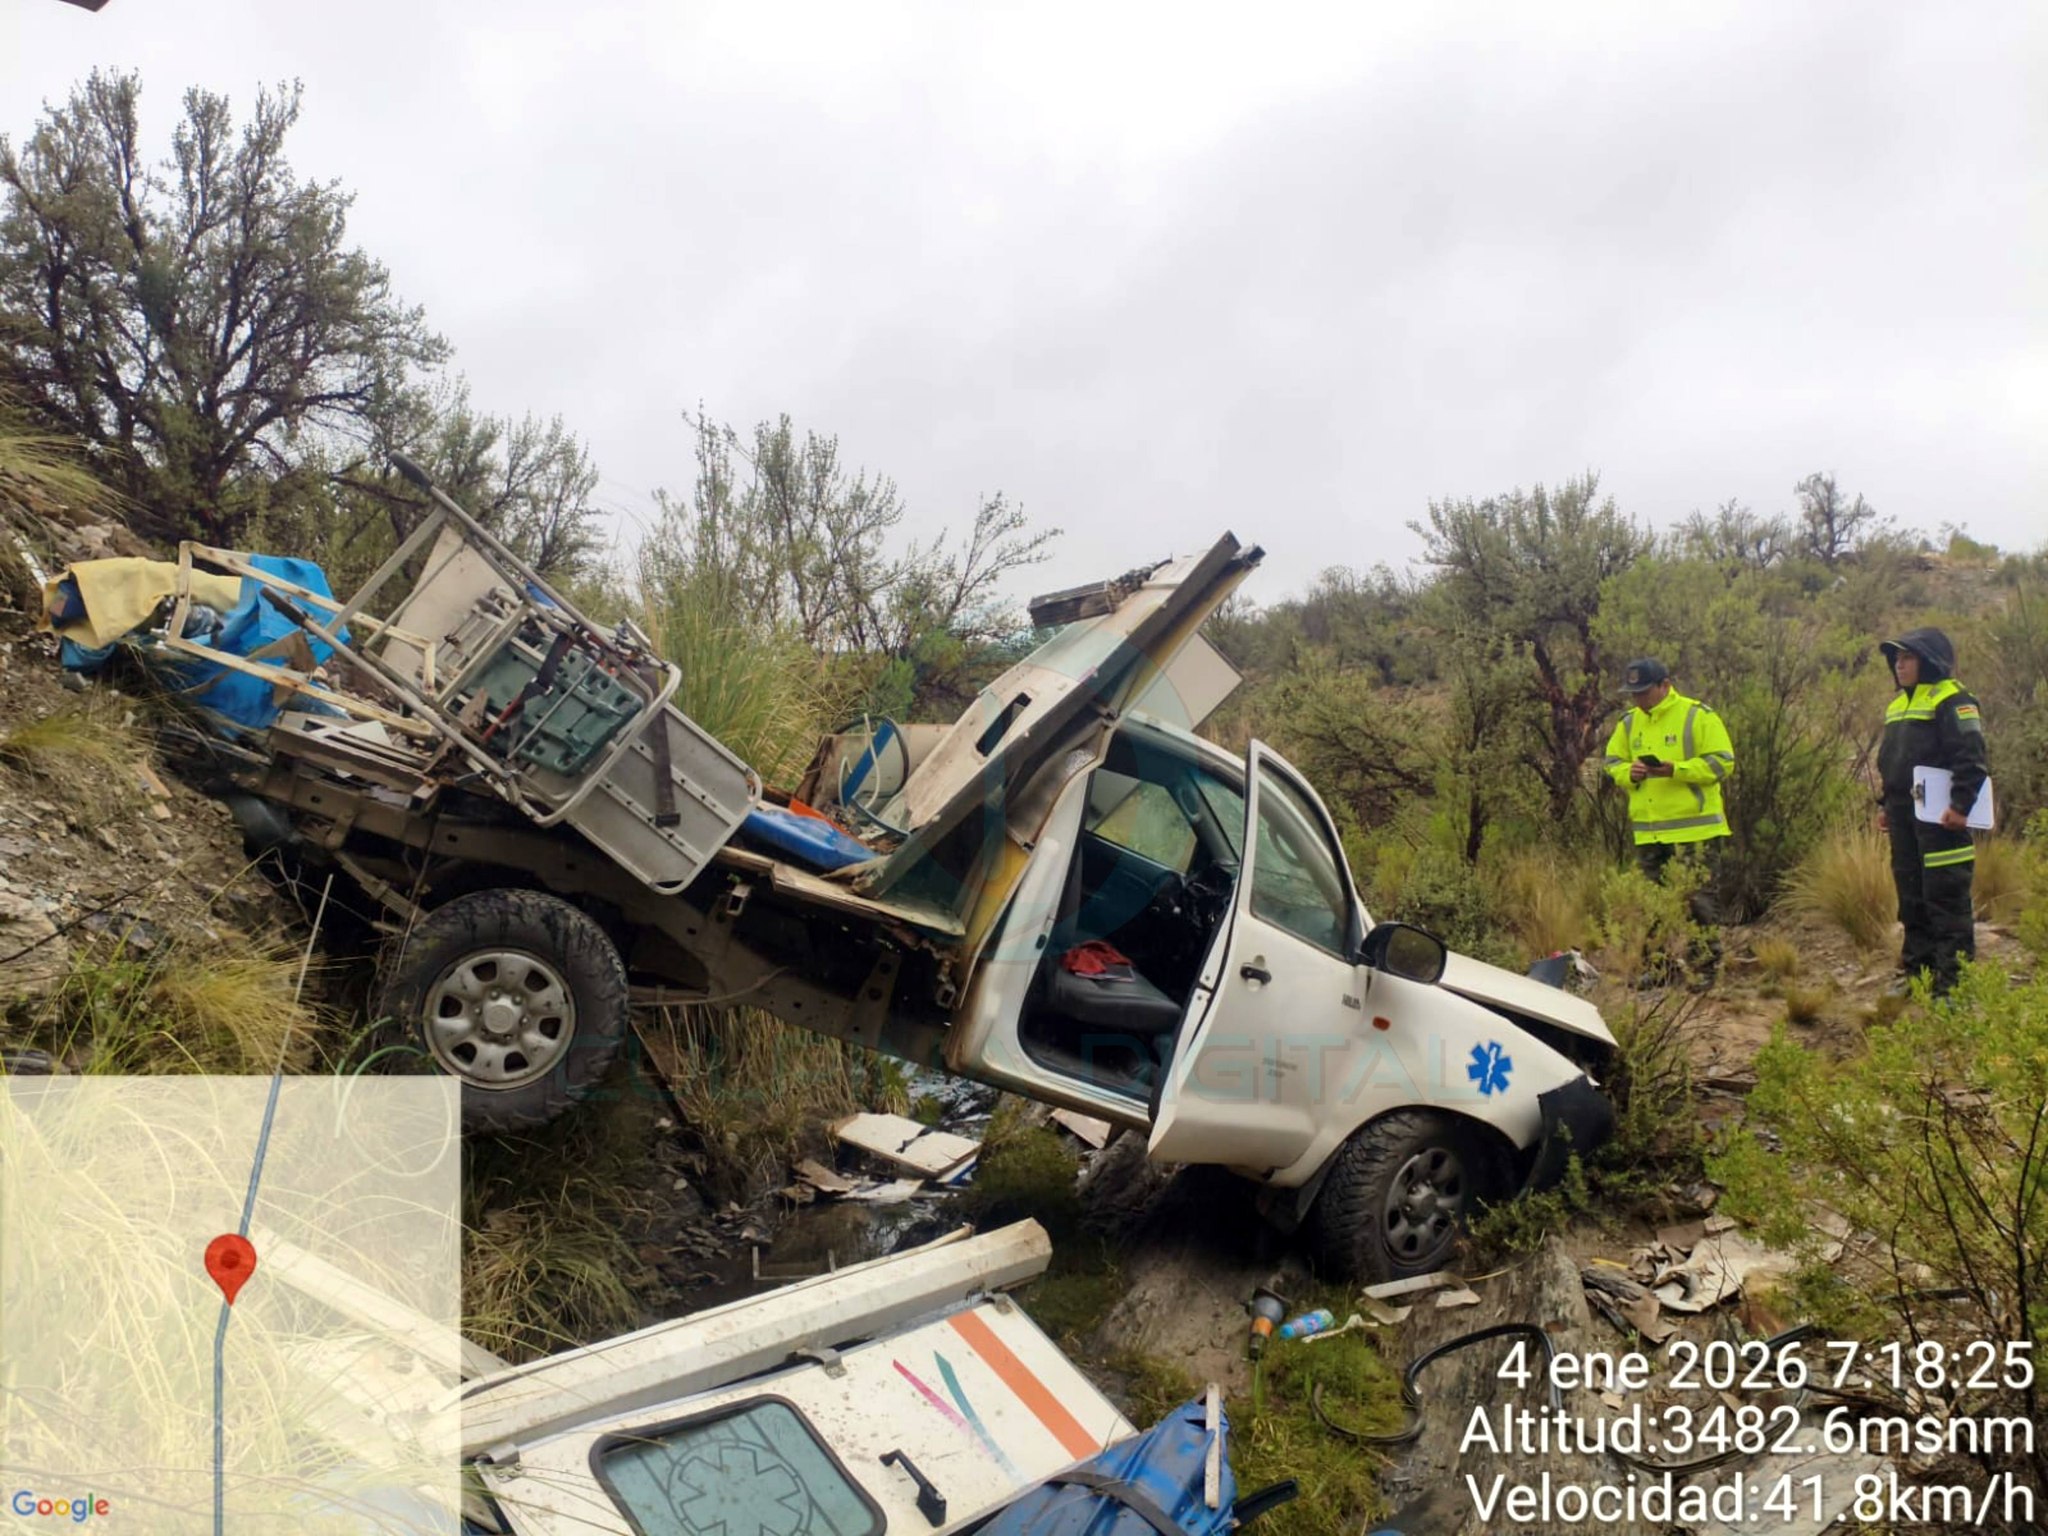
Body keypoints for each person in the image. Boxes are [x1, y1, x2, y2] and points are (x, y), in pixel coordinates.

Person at [1876, 627, 1987, 996]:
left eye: (1907, 657)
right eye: (1896, 658)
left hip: (1942, 821)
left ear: (1929, 661)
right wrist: (1886, 805)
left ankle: (1953, 988)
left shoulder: (1953, 698)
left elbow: (1971, 758)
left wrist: (1960, 806)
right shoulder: (1897, 706)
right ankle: (1917, 975)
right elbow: (1892, 763)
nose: (1899, 665)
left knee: (1946, 901)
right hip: (1903, 818)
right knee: (1911, 899)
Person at [1602, 658, 1736, 923]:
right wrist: (1629, 773)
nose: (1638, 699)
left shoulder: (1698, 716)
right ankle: (1662, 953)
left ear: (1665, 685)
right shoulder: (1628, 722)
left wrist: (1676, 769)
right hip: (1649, 835)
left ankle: (1706, 953)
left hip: (1695, 835)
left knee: (1699, 910)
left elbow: (1722, 763)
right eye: (1633, 694)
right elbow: (1613, 762)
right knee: (1651, 914)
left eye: (1644, 692)